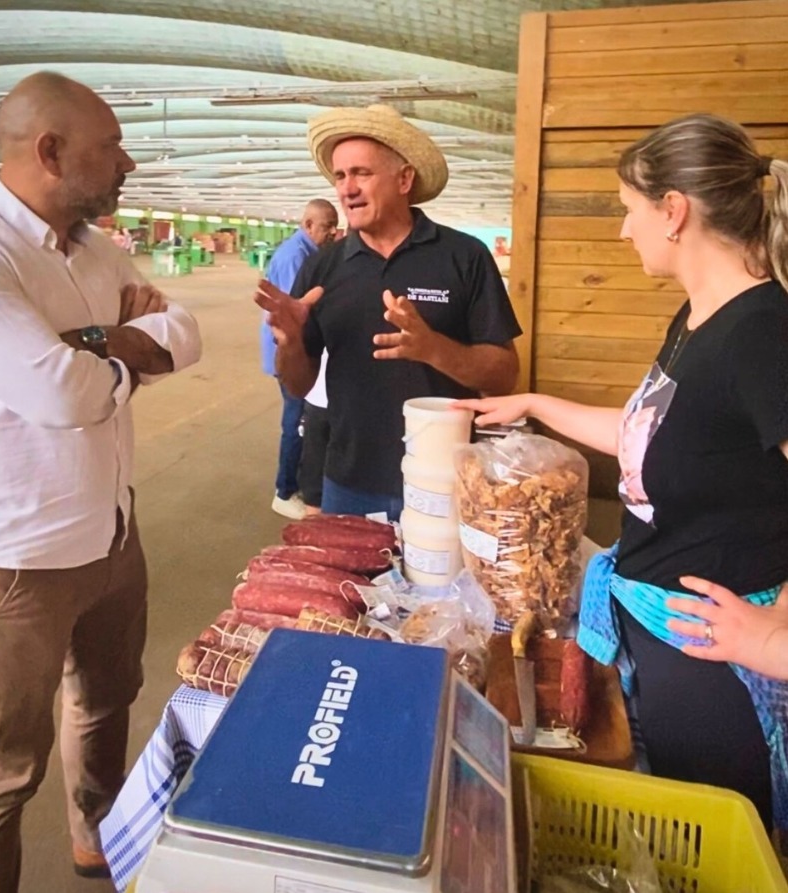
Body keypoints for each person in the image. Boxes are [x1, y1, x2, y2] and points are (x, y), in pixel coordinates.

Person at [0, 71, 202, 893]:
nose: (127, 162)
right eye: (111, 148)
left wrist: (98, 339)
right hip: (7, 559)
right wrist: (127, 344)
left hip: (108, 530)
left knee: (108, 699)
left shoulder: (94, 249)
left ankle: (94, 838)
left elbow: (185, 333)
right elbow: (60, 394)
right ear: (50, 150)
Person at [455, 114, 788, 834]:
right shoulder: (699, 318)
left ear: (673, 212)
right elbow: (653, 439)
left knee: (705, 841)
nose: (621, 231)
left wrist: (775, 635)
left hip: (714, 663)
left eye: (627, 209)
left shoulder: (763, 332)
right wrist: (536, 404)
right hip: (658, 634)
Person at [256, 105, 521, 520]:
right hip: (348, 483)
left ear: (404, 179)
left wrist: (434, 349)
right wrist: (288, 344)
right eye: (340, 176)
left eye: (361, 173)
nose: (347, 189)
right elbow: (301, 384)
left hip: (448, 478)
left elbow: (505, 375)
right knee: (354, 588)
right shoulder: (323, 267)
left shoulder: (464, 256)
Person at [260, 198, 339, 519]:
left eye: (335, 225)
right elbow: (297, 310)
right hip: (289, 352)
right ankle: (284, 491)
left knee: (301, 419)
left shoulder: (310, 253)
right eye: (327, 226)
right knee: (295, 422)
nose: (333, 232)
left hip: (298, 350)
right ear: (308, 225)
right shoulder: (297, 256)